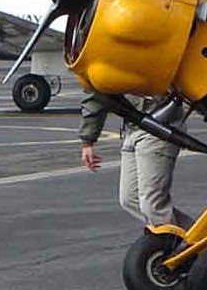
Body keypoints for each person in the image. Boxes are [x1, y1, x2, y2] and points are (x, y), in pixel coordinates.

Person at [79, 92, 194, 229]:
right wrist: (87, 141)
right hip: (132, 126)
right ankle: (195, 235)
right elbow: (96, 94)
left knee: (152, 205)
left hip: (160, 126)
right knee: (130, 199)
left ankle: (173, 240)